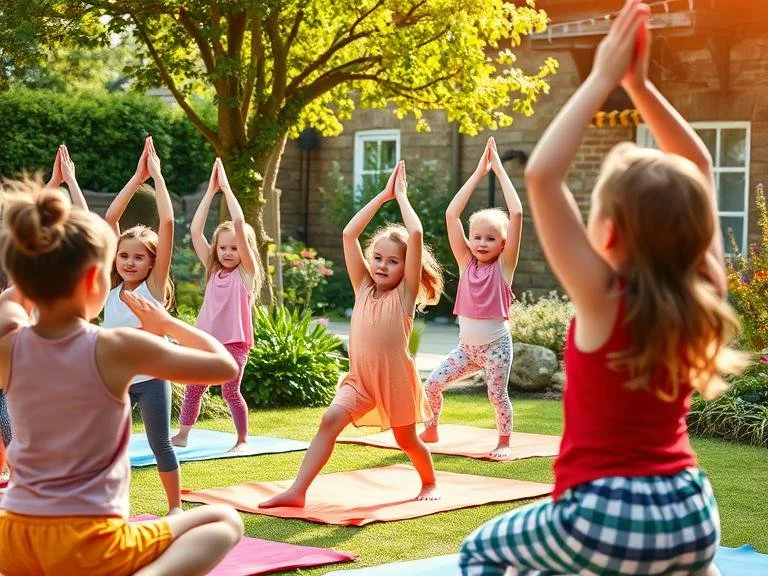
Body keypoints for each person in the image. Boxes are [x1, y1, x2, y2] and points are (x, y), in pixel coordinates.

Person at [459, 2, 747, 575]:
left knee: (480, 552)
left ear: (608, 232)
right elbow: (699, 166)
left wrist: (602, 78)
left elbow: (541, 175)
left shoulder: (604, 297)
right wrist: (638, 84)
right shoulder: (703, 289)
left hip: (600, 514)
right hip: (692, 513)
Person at [0, 181, 243, 576]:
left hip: (13, 539)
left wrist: (30, 269)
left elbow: (11, 302)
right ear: (94, 281)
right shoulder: (117, 347)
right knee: (223, 521)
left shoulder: (9, 345)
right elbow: (223, 367)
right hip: (88, 543)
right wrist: (167, 323)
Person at [260, 161, 444, 507]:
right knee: (329, 420)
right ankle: (297, 491)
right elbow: (348, 234)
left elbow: (415, 235)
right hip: (359, 379)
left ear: (407, 269)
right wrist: (382, 196)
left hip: (395, 380)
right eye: (377, 258)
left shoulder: (403, 296)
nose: (381, 265)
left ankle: (429, 481)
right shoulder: (362, 287)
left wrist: (401, 198)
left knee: (407, 441)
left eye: (393, 261)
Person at [421, 137, 523, 458]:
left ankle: (504, 441)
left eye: (490, 238)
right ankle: (432, 427)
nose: (481, 243)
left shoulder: (504, 268)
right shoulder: (466, 264)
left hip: (495, 347)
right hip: (466, 349)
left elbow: (517, 212)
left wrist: (500, 171)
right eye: (476, 236)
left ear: (503, 244)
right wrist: (479, 172)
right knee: (433, 384)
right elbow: (452, 215)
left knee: (496, 395)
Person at [102, 136, 181, 514]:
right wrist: (136, 179)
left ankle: (175, 508)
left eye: (138, 257)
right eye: (123, 256)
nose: (129, 262)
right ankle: (115, 508)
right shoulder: (110, 288)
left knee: (159, 444)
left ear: (152, 264)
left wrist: (158, 178)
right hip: (114, 380)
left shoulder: (152, 287)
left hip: (150, 381)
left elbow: (166, 221)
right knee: (110, 447)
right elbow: (109, 221)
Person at [171, 159, 262, 453]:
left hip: (235, 344)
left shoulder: (245, 273)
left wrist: (226, 188)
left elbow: (238, 223)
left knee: (230, 390)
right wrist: (210, 193)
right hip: (207, 341)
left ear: (244, 249)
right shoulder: (213, 270)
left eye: (234, 248)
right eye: (222, 247)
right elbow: (196, 232)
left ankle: (242, 439)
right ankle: (183, 434)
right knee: (194, 387)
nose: (227, 252)